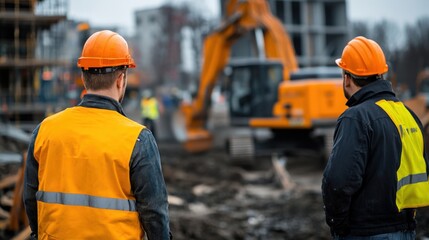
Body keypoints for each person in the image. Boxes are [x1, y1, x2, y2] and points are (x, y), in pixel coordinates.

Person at [23, 30, 172, 240]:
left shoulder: (45, 130)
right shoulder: (138, 139)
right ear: (121, 80)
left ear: (84, 78)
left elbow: (30, 198)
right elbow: (155, 214)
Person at [322, 36, 429, 239]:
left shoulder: (356, 117)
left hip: (367, 232)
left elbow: (338, 182)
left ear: (346, 77)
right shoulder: (408, 115)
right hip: (406, 230)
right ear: (380, 74)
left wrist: (339, 227)